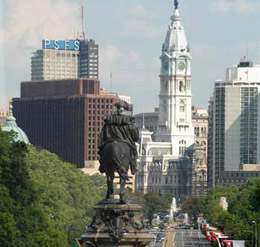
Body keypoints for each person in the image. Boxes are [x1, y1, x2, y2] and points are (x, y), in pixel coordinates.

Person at [98, 100, 139, 180]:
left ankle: (102, 165)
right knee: (133, 152)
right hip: (125, 141)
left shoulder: (109, 120)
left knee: (103, 152)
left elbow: (102, 135)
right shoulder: (129, 121)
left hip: (109, 141)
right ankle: (133, 166)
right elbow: (135, 136)